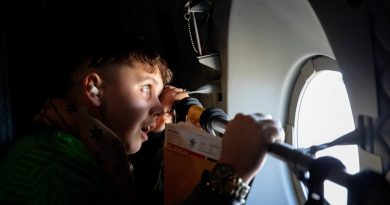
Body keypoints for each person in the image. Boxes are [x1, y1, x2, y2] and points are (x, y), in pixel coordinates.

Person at [0, 37, 285, 204]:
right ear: (94, 89)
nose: (160, 109)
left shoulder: (84, 156)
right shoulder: (49, 165)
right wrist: (232, 173)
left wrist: (160, 135)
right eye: (147, 89)